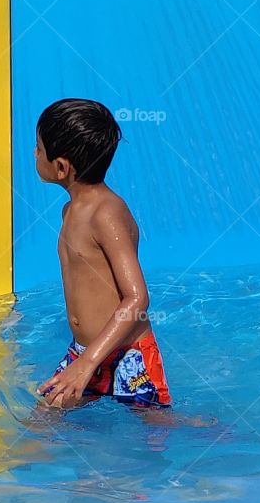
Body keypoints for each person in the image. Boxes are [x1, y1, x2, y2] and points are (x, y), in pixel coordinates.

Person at [34, 98, 172, 411]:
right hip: (84, 351)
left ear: (61, 166)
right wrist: (85, 359)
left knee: (158, 434)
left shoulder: (105, 213)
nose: (34, 153)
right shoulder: (70, 210)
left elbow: (137, 299)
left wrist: (88, 363)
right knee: (43, 418)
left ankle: (227, 438)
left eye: (39, 148)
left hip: (129, 354)